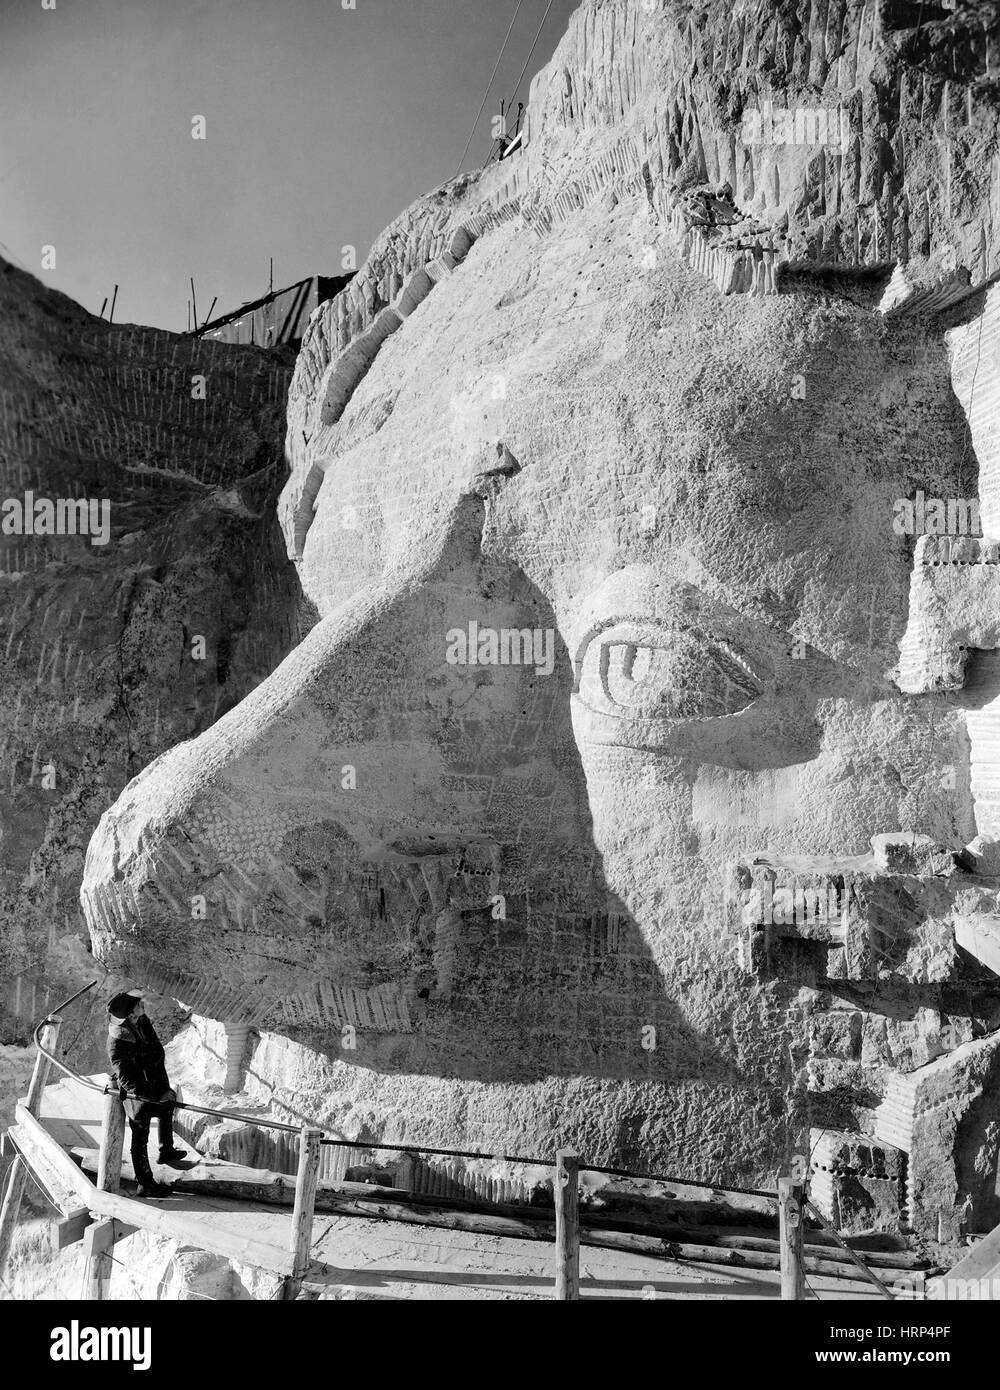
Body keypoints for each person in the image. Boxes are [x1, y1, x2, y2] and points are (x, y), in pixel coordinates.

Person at [106, 991, 186, 1198]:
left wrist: (161, 1090)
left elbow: (153, 1046)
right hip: (139, 1095)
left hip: (155, 1082)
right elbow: (127, 1081)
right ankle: (145, 1183)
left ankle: (166, 1150)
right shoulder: (117, 1041)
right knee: (140, 1137)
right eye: (139, 1004)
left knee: (167, 1108)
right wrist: (155, 1094)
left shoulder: (141, 1021)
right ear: (131, 1013)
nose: (143, 1005)